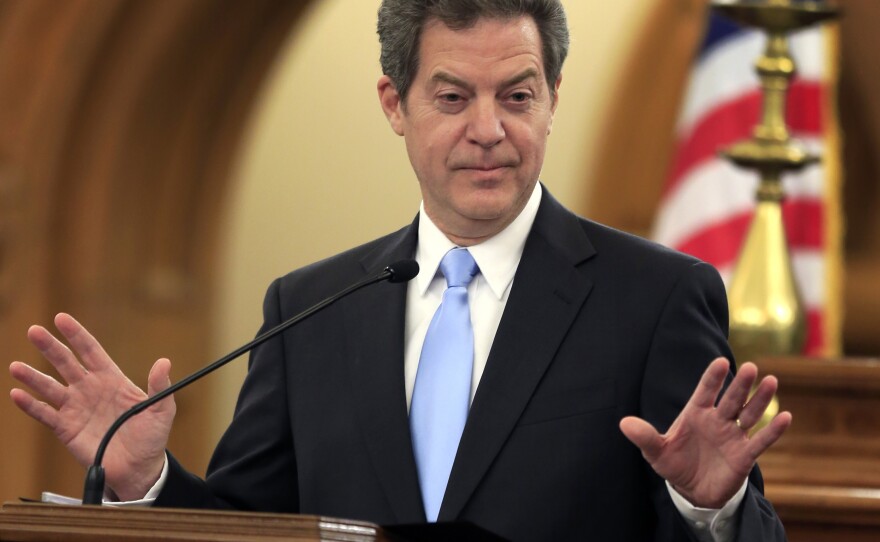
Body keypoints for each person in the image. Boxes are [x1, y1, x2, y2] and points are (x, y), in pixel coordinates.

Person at [9, 1, 791, 540]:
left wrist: (705, 510)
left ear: (553, 96)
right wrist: (148, 480)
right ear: (395, 103)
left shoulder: (655, 299)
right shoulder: (308, 309)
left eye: (516, 96)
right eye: (452, 97)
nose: (488, 130)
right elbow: (248, 532)